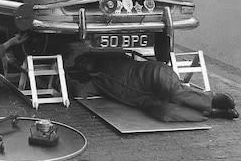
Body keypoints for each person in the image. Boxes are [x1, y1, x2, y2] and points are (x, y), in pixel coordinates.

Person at [68, 52, 239, 122]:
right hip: (147, 100)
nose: (84, 64)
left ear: (93, 57)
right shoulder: (96, 83)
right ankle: (211, 113)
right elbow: (79, 91)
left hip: (152, 75)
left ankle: (211, 99)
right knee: (165, 113)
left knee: (174, 92)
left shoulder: (112, 58)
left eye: (84, 60)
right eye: (81, 64)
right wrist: (68, 77)